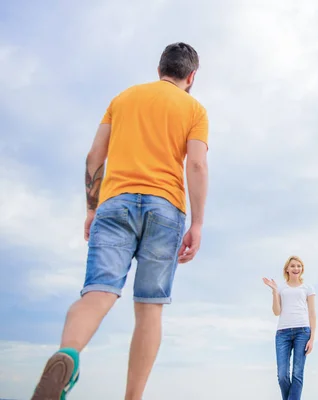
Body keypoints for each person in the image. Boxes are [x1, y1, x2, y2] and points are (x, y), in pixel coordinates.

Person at [31, 42, 209, 400]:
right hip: (165, 208)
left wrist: (91, 208)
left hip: (115, 203)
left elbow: (95, 156)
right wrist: (198, 224)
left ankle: (67, 356)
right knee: (149, 309)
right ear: (191, 77)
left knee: (98, 292)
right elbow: (196, 164)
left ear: (159, 69)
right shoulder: (194, 109)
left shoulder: (123, 99)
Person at [262, 256, 317, 400]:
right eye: (293, 266)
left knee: (297, 374)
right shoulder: (281, 288)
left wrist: (312, 338)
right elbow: (276, 312)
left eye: (299, 266)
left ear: (302, 269)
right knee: (282, 376)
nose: (296, 268)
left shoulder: (308, 288)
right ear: (287, 269)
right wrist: (274, 291)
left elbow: (312, 313)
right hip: (283, 333)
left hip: (303, 332)